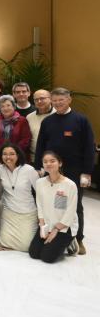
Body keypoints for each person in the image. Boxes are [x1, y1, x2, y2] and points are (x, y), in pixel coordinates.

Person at [34, 87, 95, 255]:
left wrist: (87, 172)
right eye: (55, 101)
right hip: (51, 170)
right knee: (53, 203)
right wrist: (39, 167)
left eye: (61, 100)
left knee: (75, 205)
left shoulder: (81, 120)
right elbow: (41, 145)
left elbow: (89, 148)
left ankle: (78, 238)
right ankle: (56, 233)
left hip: (75, 171)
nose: (58, 103)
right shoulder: (48, 121)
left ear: (69, 100)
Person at [29, 151, 80, 263]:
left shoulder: (70, 185)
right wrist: (42, 225)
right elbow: (40, 205)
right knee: (34, 253)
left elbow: (71, 211)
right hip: (47, 223)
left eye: (52, 161)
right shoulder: (40, 182)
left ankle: (71, 241)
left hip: (64, 225)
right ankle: (56, 243)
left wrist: (56, 229)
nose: (48, 164)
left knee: (47, 257)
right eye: (45, 162)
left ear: (60, 163)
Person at [0, 143, 39, 252]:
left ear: (18, 155)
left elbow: (40, 192)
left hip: (27, 212)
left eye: (12, 154)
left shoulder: (29, 170)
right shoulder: (0, 169)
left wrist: (42, 215)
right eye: (4, 154)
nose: (8, 157)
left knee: (26, 246)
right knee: (3, 242)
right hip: (8, 211)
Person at [0, 95, 31, 167]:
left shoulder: (22, 120)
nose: (5, 108)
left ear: (14, 106)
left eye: (8, 105)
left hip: (18, 158)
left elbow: (26, 139)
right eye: (2, 106)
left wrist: (12, 154)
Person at [26, 89, 54, 162]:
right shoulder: (29, 117)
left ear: (50, 99)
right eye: (36, 100)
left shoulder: (58, 114)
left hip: (55, 160)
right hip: (34, 159)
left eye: (42, 98)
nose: (39, 101)